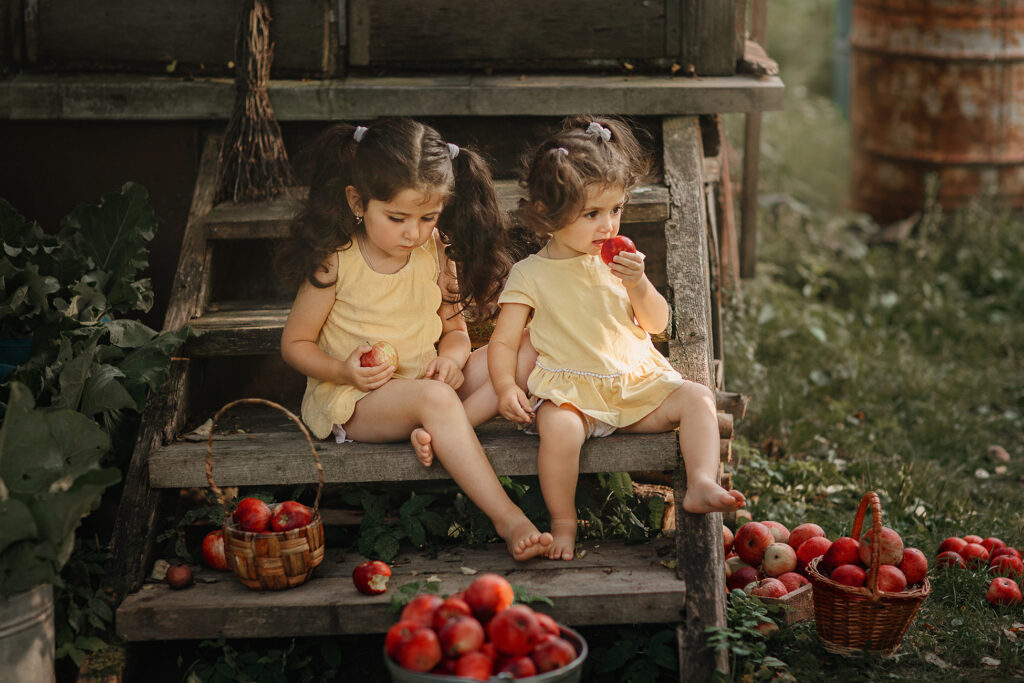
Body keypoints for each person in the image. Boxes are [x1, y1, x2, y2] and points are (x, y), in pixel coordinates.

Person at [278, 118, 551, 560]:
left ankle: (437, 431)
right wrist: (343, 369)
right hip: (358, 399)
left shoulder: (435, 249)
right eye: (398, 218)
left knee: (530, 344)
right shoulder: (337, 262)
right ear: (357, 202)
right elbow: (295, 345)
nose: (414, 232)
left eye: (428, 217)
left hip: (426, 387)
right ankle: (509, 518)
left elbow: (456, 332)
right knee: (435, 400)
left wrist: (453, 358)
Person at [488, 116, 746, 561]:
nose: (608, 226)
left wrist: (639, 284)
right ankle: (564, 523)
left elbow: (657, 323)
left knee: (698, 397)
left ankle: (703, 481)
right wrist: (506, 386)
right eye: (592, 214)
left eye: (616, 210)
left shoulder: (621, 262)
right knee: (560, 431)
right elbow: (504, 343)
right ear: (547, 213)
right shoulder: (530, 273)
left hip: (634, 386)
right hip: (572, 392)